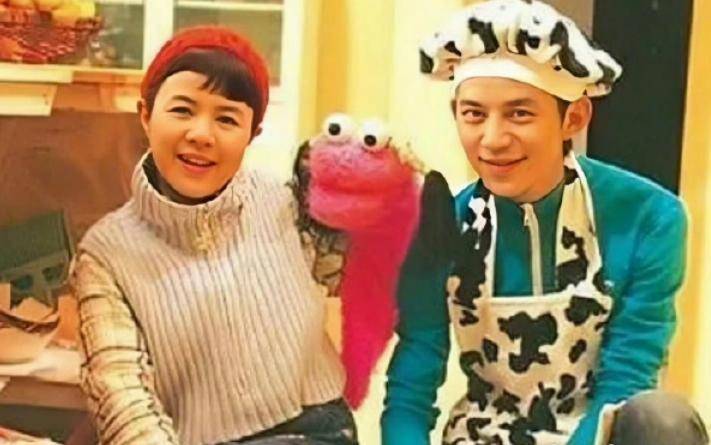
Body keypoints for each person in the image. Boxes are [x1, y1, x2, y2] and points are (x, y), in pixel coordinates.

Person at [381, 1, 709, 445]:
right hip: (483, 435)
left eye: (519, 114)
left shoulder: (649, 218)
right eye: (474, 114)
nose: (493, 140)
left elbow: (627, 377)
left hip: (598, 434)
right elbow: (411, 387)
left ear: (574, 117)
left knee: (663, 418)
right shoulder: (442, 226)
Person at [71, 26, 357, 445]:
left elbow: (372, 275)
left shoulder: (288, 204)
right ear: (146, 115)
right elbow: (123, 399)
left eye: (226, 118)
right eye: (182, 110)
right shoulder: (105, 254)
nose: (201, 135)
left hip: (318, 432)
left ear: (252, 133)